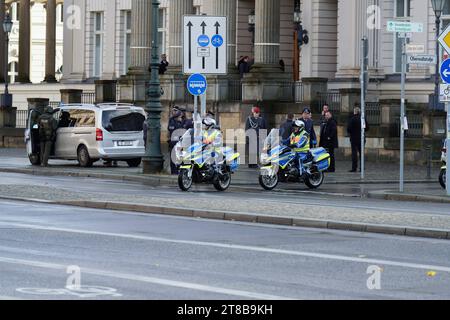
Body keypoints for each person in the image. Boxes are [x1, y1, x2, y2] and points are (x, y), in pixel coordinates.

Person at [347, 107, 369, 173]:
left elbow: (348, 129)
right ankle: (362, 167)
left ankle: (354, 168)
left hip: (354, 139)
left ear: (354, 112)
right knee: (361, 153)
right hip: (361, 138)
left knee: (354, 153)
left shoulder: (352, 119)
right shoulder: (362, 119)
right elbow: (367, 128)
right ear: (359, 112)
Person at [168, 109, 184, 174]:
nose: (181, 118)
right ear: (177, 117)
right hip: (174, 143)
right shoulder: (173, 123)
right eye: (180, 117)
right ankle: (174, 172)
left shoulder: (179, 123)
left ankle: (178, 171)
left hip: (179, 143)